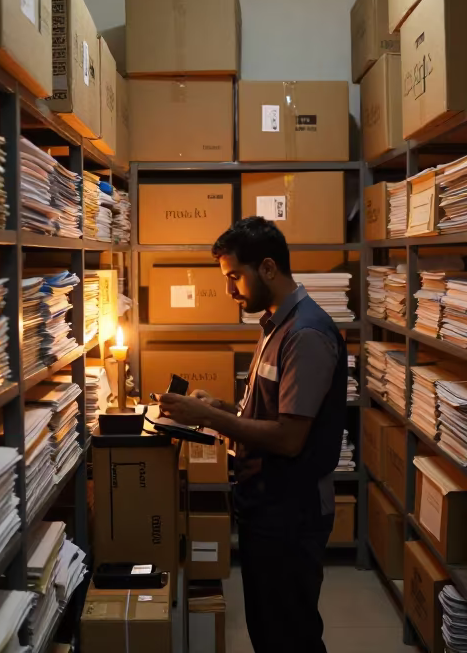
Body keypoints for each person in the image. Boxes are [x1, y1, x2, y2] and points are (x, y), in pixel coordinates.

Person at [158, 216, 346, 653]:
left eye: (234, 277)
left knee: (290, 634)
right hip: (266, 502)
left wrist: (205, 417)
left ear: (266, 268)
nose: (229, 290)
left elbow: (288, 438)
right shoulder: (275, 324)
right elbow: (267, 409)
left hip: (291, 511)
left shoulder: (306, 334)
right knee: (268, 629)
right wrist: (215, 407)